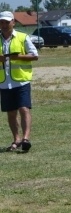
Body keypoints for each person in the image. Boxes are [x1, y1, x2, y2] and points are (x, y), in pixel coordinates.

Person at [0, 11, 39, 152]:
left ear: (13, 22)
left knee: (24, 109)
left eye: (6, 22)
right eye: (1, 22)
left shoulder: (23, 37)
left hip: (21, 81)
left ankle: (26, 139)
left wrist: (18, 57)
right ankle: (16, 139)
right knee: (11, 113)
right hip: (4, 83)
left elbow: (35, 56)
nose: (4, 25)